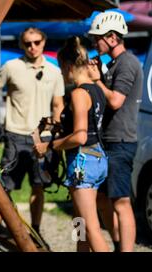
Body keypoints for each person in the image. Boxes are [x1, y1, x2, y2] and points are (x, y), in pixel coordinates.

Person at [0, 27, 64, 246]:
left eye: (37, 42)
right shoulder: (12, 66)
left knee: (39, 186)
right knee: (4, 187)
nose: (33, 47)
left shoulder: (54, 71)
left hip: (43, 137)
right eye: (28, 43)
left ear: (43, 42)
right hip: (15, 134)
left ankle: (35, 232)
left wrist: (56, 129)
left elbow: (58, 103)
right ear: (22, 45)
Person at [34, 36, 109, 251]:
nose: (61, 73)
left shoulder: (78, 93)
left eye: (60, 68)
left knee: (91, 227)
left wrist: (49, 145)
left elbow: (80, 136)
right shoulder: (96, 89)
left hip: (83, 163)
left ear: (68, 66)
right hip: (96, 159)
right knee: (80, 223)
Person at [87, 11, 143, 252]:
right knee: (102, 198)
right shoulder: (114, 64)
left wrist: (96, 80)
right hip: (108, 141)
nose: (93, 43)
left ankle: (125, 249)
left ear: (111, 38)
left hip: (120, 141)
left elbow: (116, 101)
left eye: (97, 38)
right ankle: (119, 244)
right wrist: (100, 75)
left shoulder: (127, 63)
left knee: (121, 200)